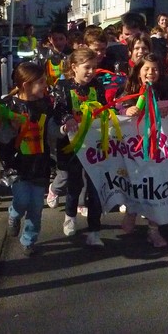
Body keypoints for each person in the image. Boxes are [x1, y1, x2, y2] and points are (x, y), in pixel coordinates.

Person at [0, 62, 60, 256]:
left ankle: (29, 240)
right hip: (17, 164)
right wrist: (12, 128)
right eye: (41, 82)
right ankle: (14, 214)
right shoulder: (8, 105)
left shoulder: (46, 104)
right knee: (22, 200)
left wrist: (64, 130)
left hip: (40, 162)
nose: (45, 86)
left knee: (36, 206)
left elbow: (51, 130)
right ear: (26, 85)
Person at [49, 49, 108, 247]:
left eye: (94, 67)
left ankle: (94, 231)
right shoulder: (63, 86)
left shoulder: (97, 86)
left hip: (94, 143)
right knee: (74, 184)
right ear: (74, 67)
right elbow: (58, 109)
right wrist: (67, 119)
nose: (91, 72)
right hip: (72, 145)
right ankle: (70, 215)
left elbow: (104, 106)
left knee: (95, 187)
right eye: (87, 67)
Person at [115, 53, 168, 248]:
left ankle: (153, 230)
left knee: (156, 186)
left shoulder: (163, 90)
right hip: (134, 148)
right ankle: (132, 211)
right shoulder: (129, 90)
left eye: (155, 69)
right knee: (135, 182)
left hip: (157, 147)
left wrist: (167, 110)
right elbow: (118, 108)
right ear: (138, 72)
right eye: (146, 68)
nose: (151, 72)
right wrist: (126, 111)